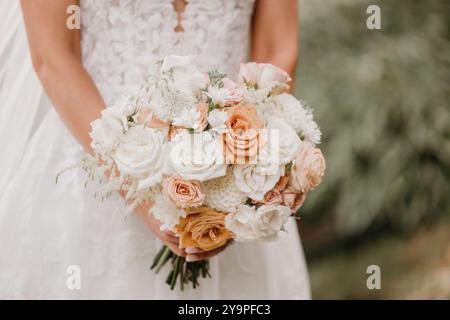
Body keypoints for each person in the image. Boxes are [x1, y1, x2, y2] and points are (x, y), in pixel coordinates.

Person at [0, 0, 310, 299]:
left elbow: (277, 49)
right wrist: (138, 189)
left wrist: (237, 180)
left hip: (232, 168)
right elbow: (53, 56)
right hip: (93, 159)